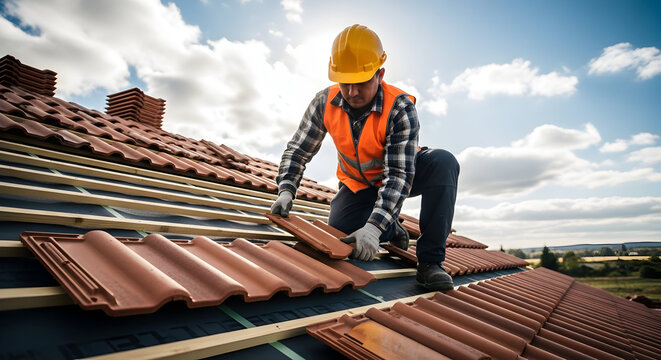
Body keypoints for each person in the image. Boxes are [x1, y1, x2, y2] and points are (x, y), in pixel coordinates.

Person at [271, 24, 459, 291]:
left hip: (404, 175)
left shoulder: (399, 108)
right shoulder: (324, 102)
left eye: (360, 83)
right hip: (359, 185)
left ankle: (430, 263)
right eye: (344, 83)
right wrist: (286, 189)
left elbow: (398, 176)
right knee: (341, 233)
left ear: (379, 74)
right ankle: (391, 228)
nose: (352, 92)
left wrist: (372, 228)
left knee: (444, 162)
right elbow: (298, 149)